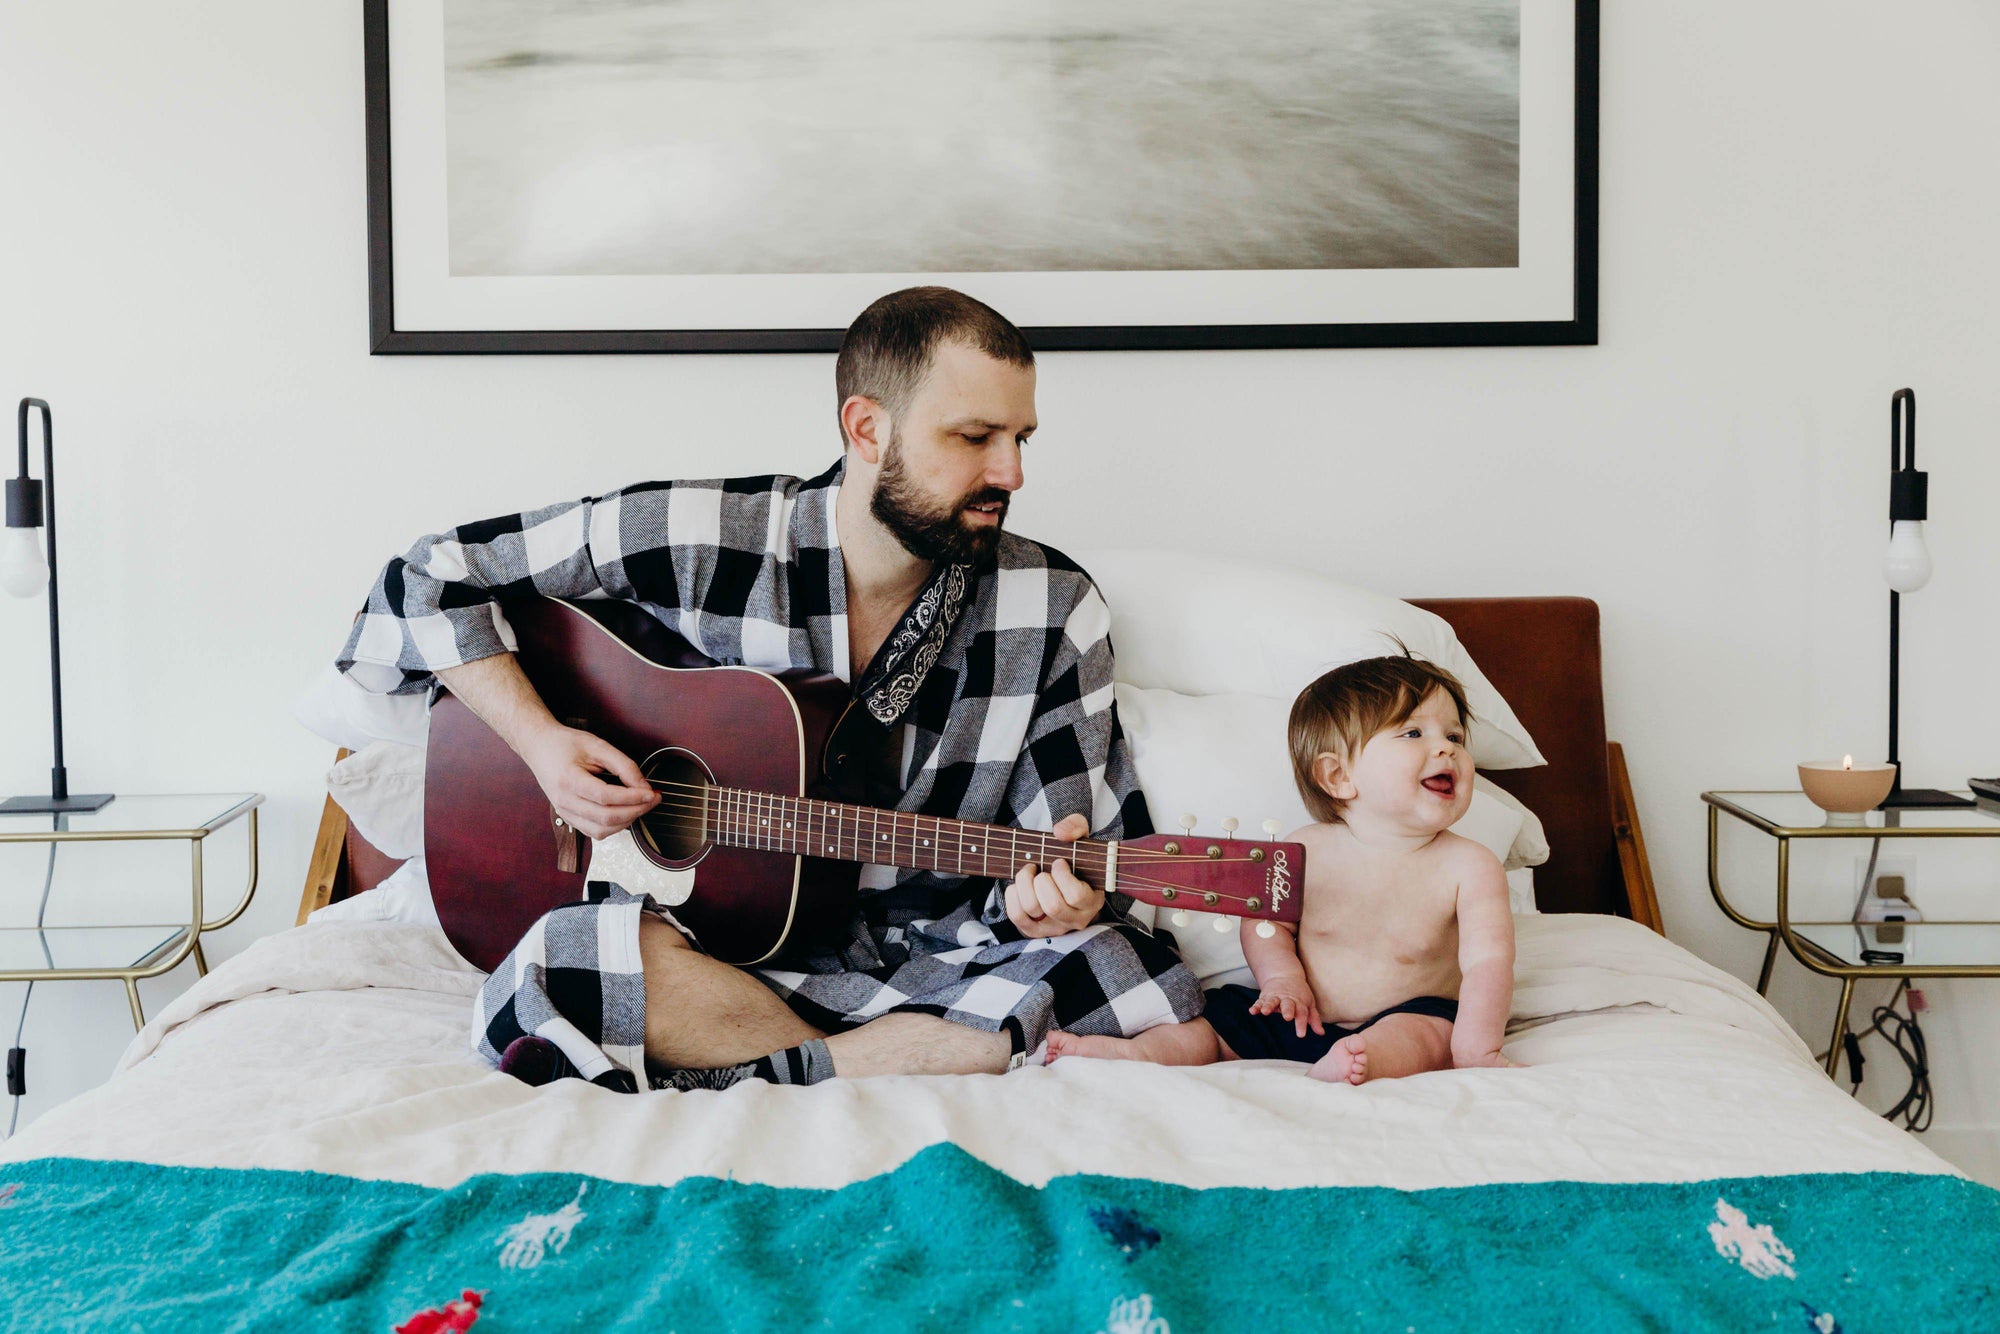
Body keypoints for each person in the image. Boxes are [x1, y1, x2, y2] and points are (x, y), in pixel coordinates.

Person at [335, 287, 1199, 1091]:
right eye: (975, 438)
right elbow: (427, 575)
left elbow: (1076, 854)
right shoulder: (699, 537)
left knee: (1131, 969)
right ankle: (881, 1059)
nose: (1011, 473)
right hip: (710, 949)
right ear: (866, 429)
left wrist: (1053, 902)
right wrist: (542, 743)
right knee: (567, 956)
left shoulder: (1054, 608)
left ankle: (795, 1063)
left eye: (1022, 439)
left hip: (942, 953)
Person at [1045, 654, 1517, 1084]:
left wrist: (1478, 1047)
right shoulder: (1303, 851)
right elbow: (1266, 922)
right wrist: (1281, 979)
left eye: (1454, 736)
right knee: (1212, 1026)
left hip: (1407, 1012)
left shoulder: (1471, 866)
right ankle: (1135, 1056)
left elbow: (1487, 965)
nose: (1447, 749)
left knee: (1428, 1036)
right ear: (1338, 776)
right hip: (1297, 1011)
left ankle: (1360, 1061)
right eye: (1414, 733)